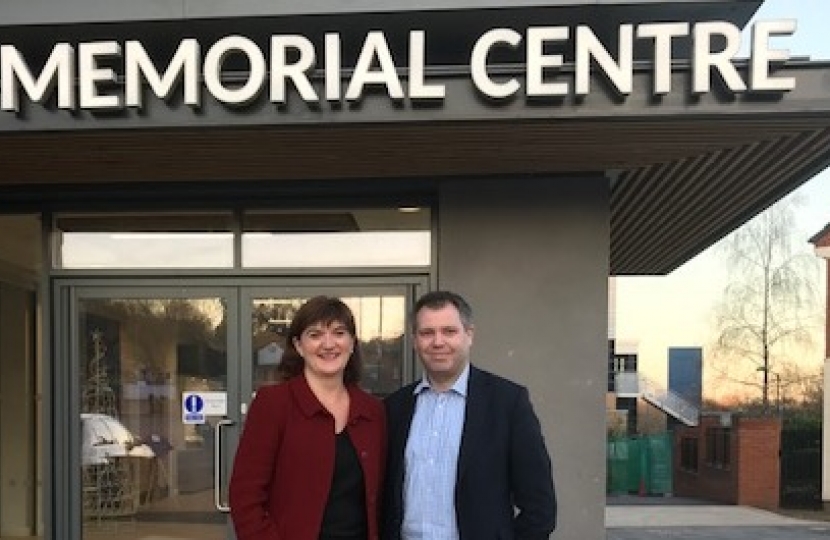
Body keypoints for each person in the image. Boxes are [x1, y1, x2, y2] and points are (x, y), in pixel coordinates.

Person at [382, 290, 556, 540]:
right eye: (427, 333)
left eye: (449, 331)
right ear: (414, 340)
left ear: (469, 335)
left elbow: (540, 506)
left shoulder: (507, 403)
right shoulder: (395, 408)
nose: (438, 342)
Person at [230, 295, 386, 540]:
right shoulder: (273, 404)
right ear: (299, 345)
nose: (328, 344)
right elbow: (245, 497)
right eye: (315, 335)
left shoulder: (373, 411)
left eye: (339, 333)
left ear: (353, 343)